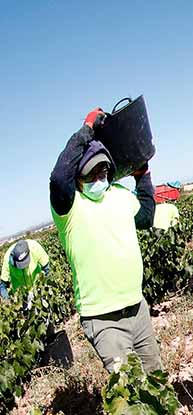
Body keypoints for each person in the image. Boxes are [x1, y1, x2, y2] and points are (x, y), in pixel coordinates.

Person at [49, 108, 161, 372]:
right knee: (128, 387)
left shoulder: (120, 195)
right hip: (103, 318)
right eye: (91, 174)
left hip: (137, 307)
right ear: (78, 178)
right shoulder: (70, 208)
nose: (99, 178)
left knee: (155, 375)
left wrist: (143, 177)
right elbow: (58, 177)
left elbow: (145, 217)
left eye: (103, 172)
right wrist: (87, 128)